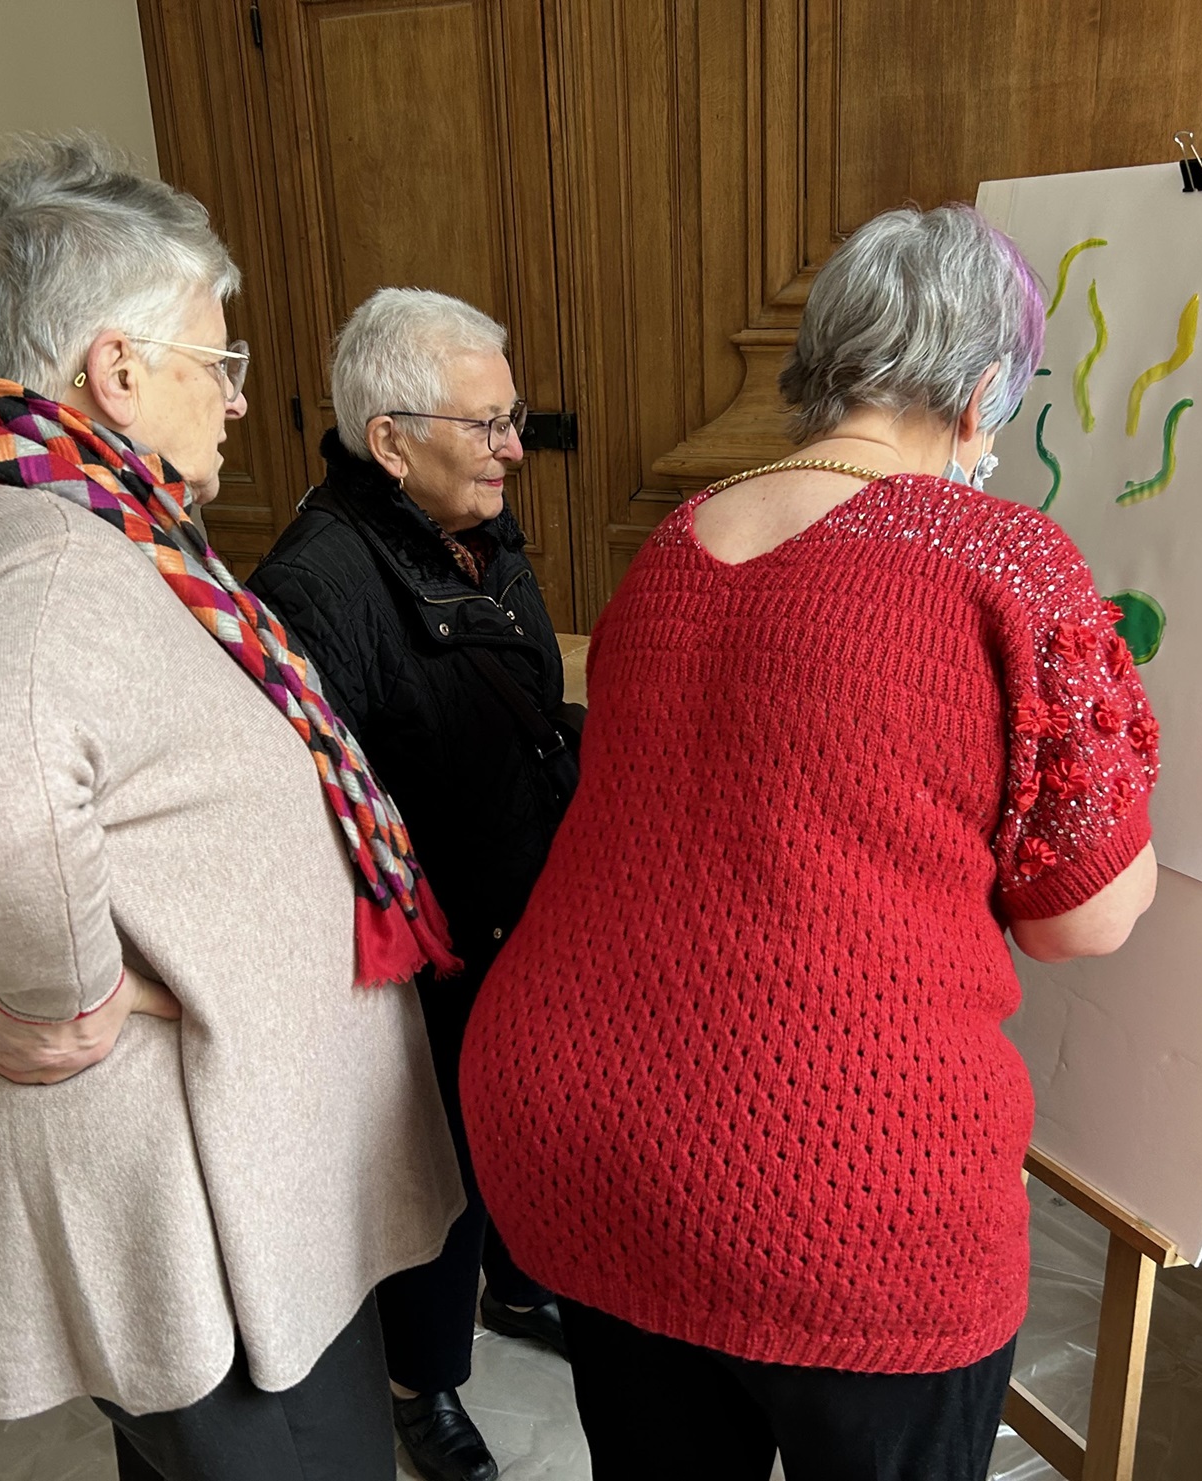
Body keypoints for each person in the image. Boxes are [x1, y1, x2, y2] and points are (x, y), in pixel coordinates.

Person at [459, 203, 1161, 1481]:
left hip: (572, 1131)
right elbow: (1086, 914)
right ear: (986, 384)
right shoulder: (1002, 556)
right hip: (841, 1180)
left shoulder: (673, 541)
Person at [0, 137, 464, 1481]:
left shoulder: (2, 513)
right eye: (218, 362)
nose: (237, 401)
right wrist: (76, 989)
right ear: (117, 369)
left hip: (178, 1190)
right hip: (186, 1194)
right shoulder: (58, 559)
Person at [247, 288, 579, 1481]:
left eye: (513, 419)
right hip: (420, 940)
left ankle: (522, 1283)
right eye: (485, 426)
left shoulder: (476, 527)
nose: (511, 450)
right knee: (435, 1163)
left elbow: (521, 705)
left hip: (516, 907)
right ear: (389, 439)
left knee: (517, 1122)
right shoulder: (316, 582)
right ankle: (419, 1380)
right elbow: (301, 820)